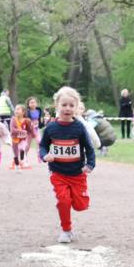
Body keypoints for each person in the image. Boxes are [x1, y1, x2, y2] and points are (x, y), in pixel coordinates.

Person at [39, 86, 96, 244]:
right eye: (64, 105)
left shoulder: (79, 128)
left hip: (77, 173)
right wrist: (45, 155)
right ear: (57, 106)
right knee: (63, 201)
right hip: (58, 173)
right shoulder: (51, 128)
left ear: (76, 108)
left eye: (71, 105)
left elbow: (89, 148)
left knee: (80, 206)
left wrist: (90, 165)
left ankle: (76, 200)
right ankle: (66, 230)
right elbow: (42, 146)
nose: (67, 108)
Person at [10, 104, 34, 170]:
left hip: (23, 139)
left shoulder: (26, 120)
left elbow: (29, 129)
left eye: (18, 109)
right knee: (15, 153)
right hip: (15, 139)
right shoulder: (13, 120)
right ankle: (17, 165)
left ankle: (23, 161)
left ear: (23, 112)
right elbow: (12, 130)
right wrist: (22, 131)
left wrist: (32, 132)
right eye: (15, 109)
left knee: (22, 149)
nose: (16, 111)